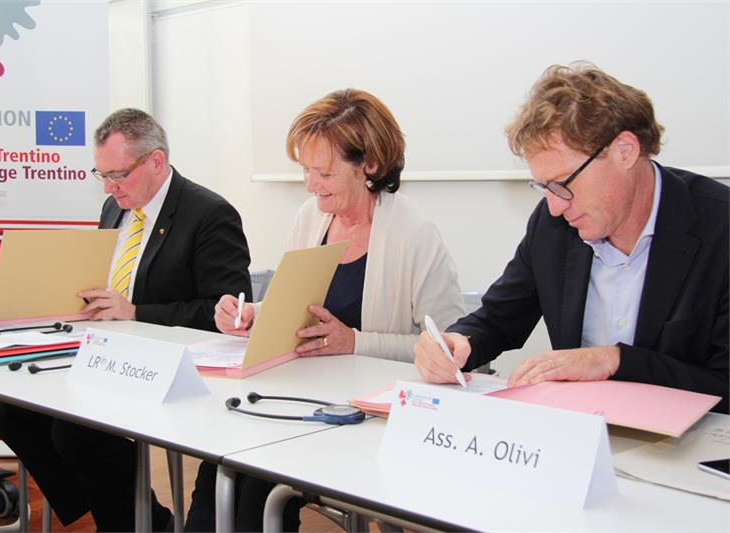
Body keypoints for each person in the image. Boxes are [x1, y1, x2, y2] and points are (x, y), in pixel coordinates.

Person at [186, 89, 466, 531]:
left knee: (255, 480)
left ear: (370, 165)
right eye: (306, 170)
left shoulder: (415, 234)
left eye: (325, 172)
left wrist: (355, 342)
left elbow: (450, 349)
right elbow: (296, 306)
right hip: (304, 397)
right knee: (221, 463)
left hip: (367, 416)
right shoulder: (310, 217)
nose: (311, 184)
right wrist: (254, 314)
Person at [0, 108, 253, 531]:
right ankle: (110, 513)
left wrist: (134, 312)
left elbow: (224, 313)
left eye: (118, 175)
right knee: (10, 413)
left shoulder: (209, 214)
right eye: (102, 175)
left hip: (170, 364)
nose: (109, 188)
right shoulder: (116, 210)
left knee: (76, 432)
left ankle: (136, 522)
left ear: (156, 161)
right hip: (106, 351)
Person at [414, 63, 729, 414]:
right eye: (544, 187)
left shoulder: (720, 227)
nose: (554, 206)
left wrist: (615, 362)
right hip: (581, 432)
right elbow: (498, 319)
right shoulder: (553, 225)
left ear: (625, 150)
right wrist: (457, 342)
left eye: (563, 183)